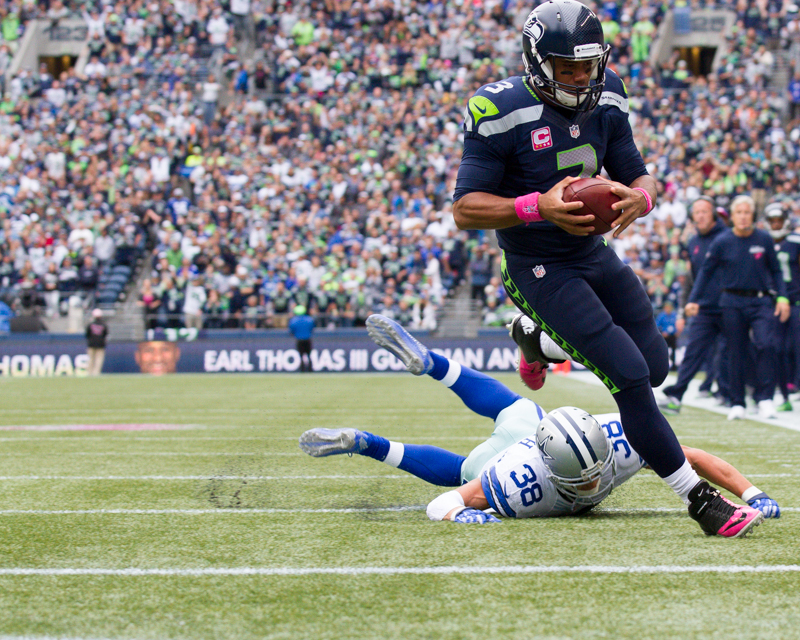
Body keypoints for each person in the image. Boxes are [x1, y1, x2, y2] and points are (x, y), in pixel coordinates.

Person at [450, 0, 728, 537]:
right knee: (628, 378)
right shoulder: (498, 108)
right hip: (536, 263)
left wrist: (639, 201)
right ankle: (698, 499)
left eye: (588, 66)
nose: (581, 78)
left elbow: (640, 176)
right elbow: (465, 209)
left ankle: (537, 341)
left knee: (654, 366)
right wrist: (537, 205)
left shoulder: (610, 93)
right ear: (536, 63)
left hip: (592, 253)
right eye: (567, 68)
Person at [299, 315, 777, 532]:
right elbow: (441, 503)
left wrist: (753, 494)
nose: (592, 485)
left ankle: (435, 365)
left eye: (595, 472)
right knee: (467, 472)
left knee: (515, 407)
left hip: (533, 423)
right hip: (516, 450)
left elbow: (693, 460)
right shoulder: (519, 481)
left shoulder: (621, 440)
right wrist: (463, 515)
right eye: (584, 477)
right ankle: (371, 443)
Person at [687, 195, 791, 421]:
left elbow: (775, 271)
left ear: (752, 215)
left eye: (747, 212)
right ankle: (737, 401)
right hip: (731, 302)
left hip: (761, 301)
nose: (743, 216)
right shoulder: (722, 241)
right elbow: (705, 272)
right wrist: (693, 299)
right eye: (739, 212)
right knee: (735, 351)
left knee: (767, 345)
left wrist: (782, 298)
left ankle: (764, 399)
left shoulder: (763, 239)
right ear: (732, 216)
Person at [660, 197, 731, 414]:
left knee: (732, 352)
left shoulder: (727, 238)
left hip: (730, 304)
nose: (700, 215)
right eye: (696, 212)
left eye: (704, 211)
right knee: (693, 351)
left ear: (714, 215)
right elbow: (692, 278)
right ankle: (677, 394)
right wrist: (688, 304)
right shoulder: (693, 242)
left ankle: (731, 395)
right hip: (705, 307)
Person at [765, 202, 800, 411]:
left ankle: (795, 386)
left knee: (795, 347)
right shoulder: (764, 242)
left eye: (779, 220)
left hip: (796, 301)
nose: (776, 225)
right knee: (776, 349)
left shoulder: (795, 242)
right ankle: (784, 393)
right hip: (773, 303)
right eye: (773, 221)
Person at [289, 305, 315, 373]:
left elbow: (291, 331)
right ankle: (310, 369)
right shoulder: (309, 319)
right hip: (308, 339)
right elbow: (312, 329)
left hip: (299, 340)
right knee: (309, 355)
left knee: (301, 356)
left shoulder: (293, 320)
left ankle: (302, 370)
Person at [85, 308, 108, 376]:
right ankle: (96, 373)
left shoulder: (90, 324)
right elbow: (105, 334)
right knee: (99, 359)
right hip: (101, 344)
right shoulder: (104, 325)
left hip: (91, 344)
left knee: (90, 359)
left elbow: (87, 334)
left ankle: (89, 372)